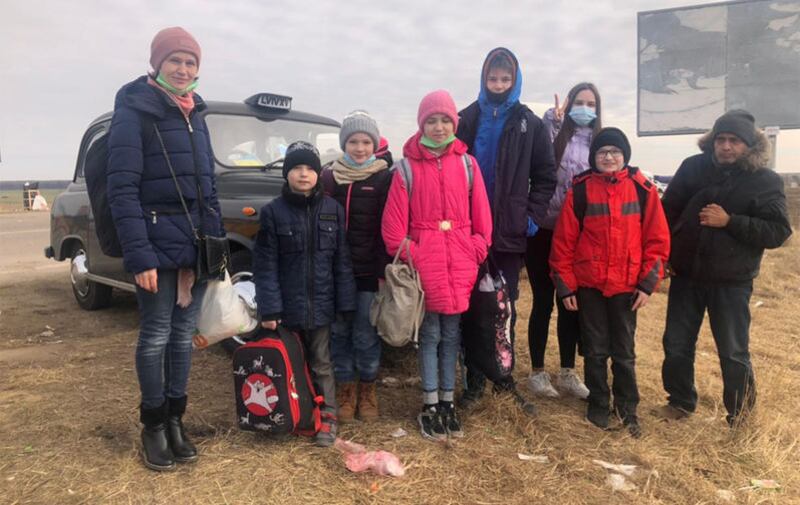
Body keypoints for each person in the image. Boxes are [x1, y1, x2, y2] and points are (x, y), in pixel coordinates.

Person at [107, 27, 224, 471]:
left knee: (181, 338)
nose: (183, 69)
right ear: (157, 64)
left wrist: (215, 249)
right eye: (175, 60)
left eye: (191, 62)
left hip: (193, 249)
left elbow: (208, 187)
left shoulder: (197, 115)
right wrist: (139, 255)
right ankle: (153, 426)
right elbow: (123, 189)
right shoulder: (135, 112)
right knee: (156, 334)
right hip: (155, 246)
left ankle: (176, 420)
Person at [656, 110, 792, 427]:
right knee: (675, 344)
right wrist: (665, 255)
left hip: (732, 281)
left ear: (749, 145)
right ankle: (679, 402)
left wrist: (730, 222)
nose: (726, 147)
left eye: (734, 141)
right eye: (721, 139)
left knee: (732, 352)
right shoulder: (693, 168)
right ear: (712, 142)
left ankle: (740, 417)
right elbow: (666, 213)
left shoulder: (764, 180)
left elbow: (778, 231)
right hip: (686, 274)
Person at [382, 90, 492, 441]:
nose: (440, 126)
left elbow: (483, 222)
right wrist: (419, 257)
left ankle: (448, 402)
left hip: (459, 263)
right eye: (432, 120)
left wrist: (474, 249)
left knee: (452, 334)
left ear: (454, 123)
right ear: (422, 124)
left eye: (446, 120)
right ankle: (430, 403)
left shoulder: (468, 165)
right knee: (429, 335)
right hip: (426, 267)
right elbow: (393, 231)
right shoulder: (406, 169)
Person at [549, 128, 670, 437]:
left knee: (625, 352)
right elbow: (564, 242)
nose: (609, 157)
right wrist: (565, 286)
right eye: (603, 152)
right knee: (595, 349)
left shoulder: (643, 190)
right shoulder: (580, 191)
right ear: (594, 157)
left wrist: (647, 284)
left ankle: (627, 407)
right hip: (590, 286)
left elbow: (657, 241)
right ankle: (598, 402)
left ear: (624, 156)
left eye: (615, 152)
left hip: (628, 288)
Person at [456, 47, 556, 415]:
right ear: (483, 79)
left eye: (505, 79)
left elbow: (545, 176)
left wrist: (531, 215)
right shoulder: (465, 118)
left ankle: (503, 376)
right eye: (492, 78)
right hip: (466, 232)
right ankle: (474, 378)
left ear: (515, 81)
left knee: (503, 306)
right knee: (468, 305)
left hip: (509, 233)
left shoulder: (530, 123)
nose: (498, 85)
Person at [253, 141, 357, 447]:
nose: (303, 174)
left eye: (310, 168)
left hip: (322, 305)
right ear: (286, 174)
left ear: (318, 174)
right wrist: (269, 309)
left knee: (323, 362)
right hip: (287, 307)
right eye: (296, 168)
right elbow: (265, 265)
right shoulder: (272, 213)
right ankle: (295, 412)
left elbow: (342, 260)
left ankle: (328, 416)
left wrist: (346, 302)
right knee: (291, 363)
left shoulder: (332, 211)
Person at [525, 83, 601, 399]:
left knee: (570, 302)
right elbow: (537, 156)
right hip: (543, 229)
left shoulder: (600, 143)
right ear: (568, 106)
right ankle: (538, 372)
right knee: (543, 301)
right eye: (578, 102)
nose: (584, 108)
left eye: (590, 103)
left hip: (577, 235)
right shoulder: (552, 131)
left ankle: (568, 371)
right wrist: (552, 121)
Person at [321, 111, 393, 423]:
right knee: (338, 333)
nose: (360, 148)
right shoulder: (329, 177)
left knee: (365, 334)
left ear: (374, 145)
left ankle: (367, 390)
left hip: (368, 273)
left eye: (366, 141)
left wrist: (382, 272)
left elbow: (388, 228)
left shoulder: (383, 178)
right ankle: (346, 391)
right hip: (338, 272)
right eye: (353, 141)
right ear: (344, 143)